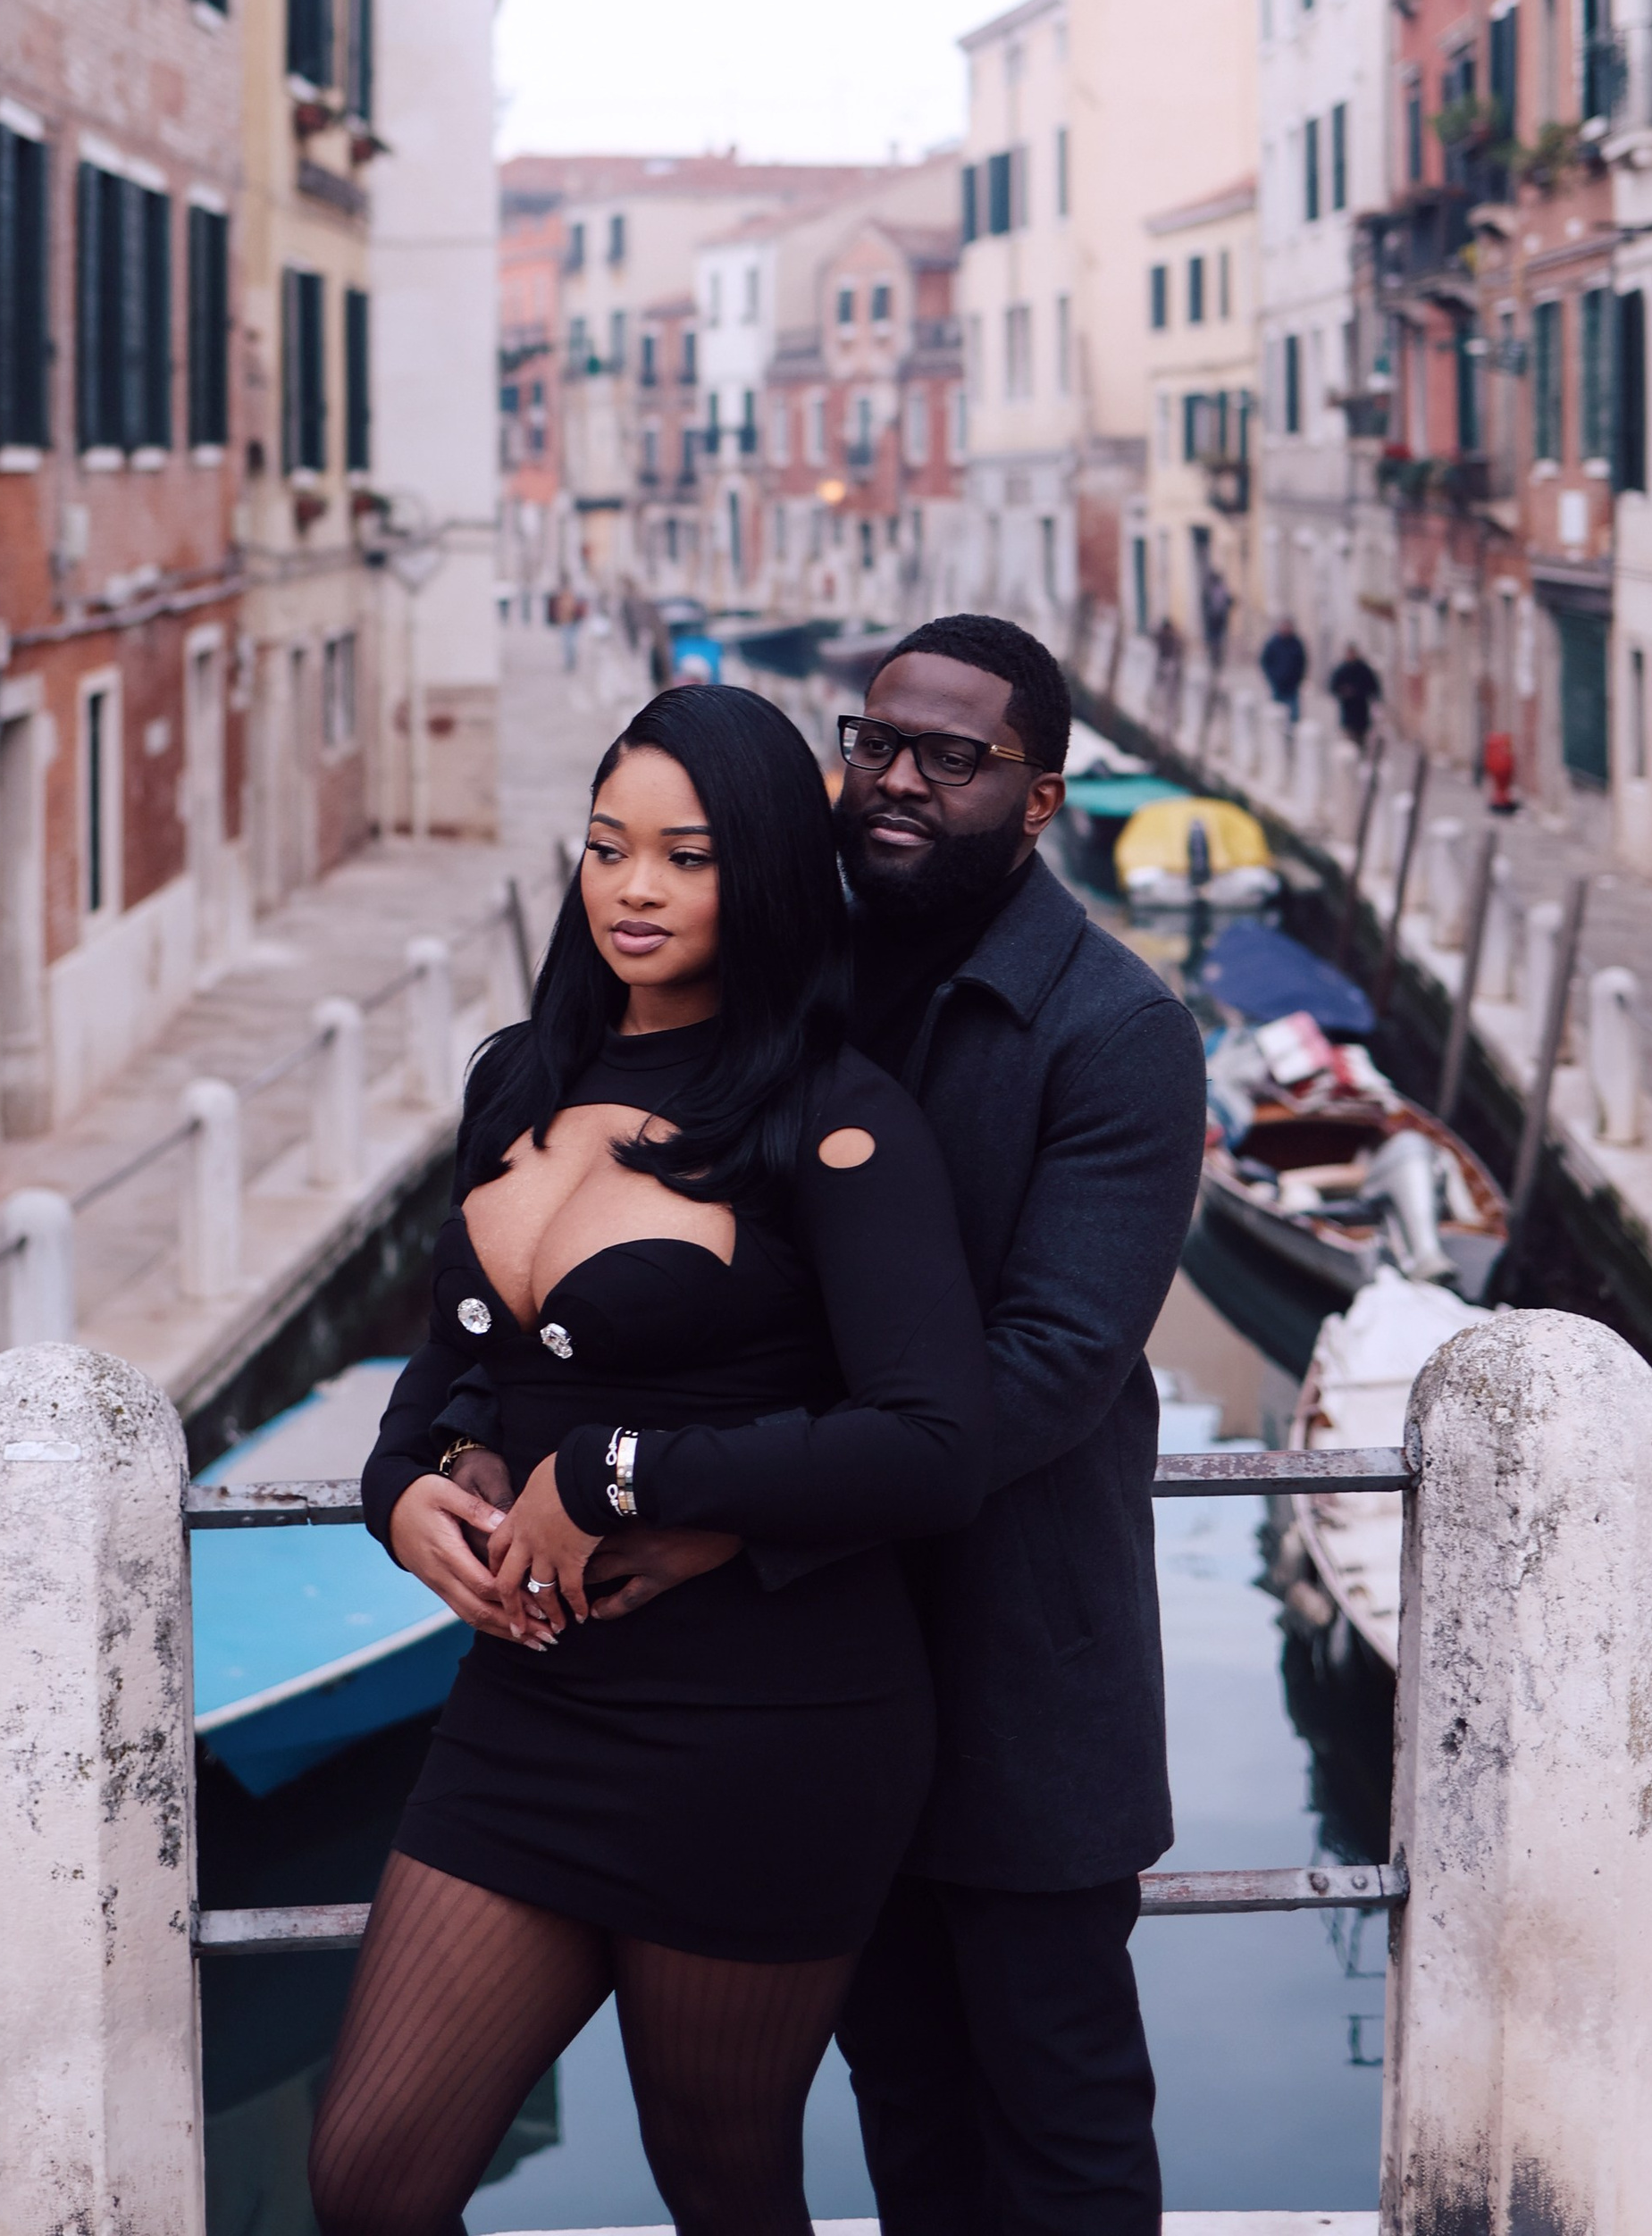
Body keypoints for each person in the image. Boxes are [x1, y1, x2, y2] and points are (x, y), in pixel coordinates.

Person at [314, 683, 993, 2236]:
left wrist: (624, 1473)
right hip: (531, 1712)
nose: (633, 888)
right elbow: (455, 1369)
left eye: (685, 858)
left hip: (769, 1723)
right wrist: (402, 1489)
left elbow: (935, 1445)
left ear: (758, 873)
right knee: (369, 2180)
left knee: (722, 2177)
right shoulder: (520, 1080)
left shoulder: (840, 1122)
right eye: (609, 847)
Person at [826, 612, 1209, 2235]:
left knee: (1061, 2133)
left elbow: (1053, 1367)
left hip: (1025, 1684)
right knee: (905, 2111)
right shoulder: (797, 983)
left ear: (1040, 797)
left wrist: (735, 1490)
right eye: (878, 744)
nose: (899, 781)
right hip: (827, 1678)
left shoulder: (1119, 1030)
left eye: (952, 759)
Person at [1328, 643, 1381, 749]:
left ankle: (1360, 754)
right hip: (1347, 708)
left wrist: (1374, 698)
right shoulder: (1341, 670)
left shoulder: (1364, 669)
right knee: (1349, 737)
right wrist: (1343, 691)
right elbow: (1333, 686)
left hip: (1361, 708)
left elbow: (1373, 686)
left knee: (1361, 735)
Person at [1259, 616, 1308, 724]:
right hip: (1277, 684)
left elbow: (1302, 663)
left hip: (1292, 686)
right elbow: (1265, 661)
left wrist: (1299, 678)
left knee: (1293, 716)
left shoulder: (1297, 644)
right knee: (1277, 715)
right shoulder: (1272, 643)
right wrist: (1272, 677)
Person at [1199, 560, 1233, 674]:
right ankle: (1216, 660)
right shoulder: (1221, 590)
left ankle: (1216, 660)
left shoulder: (1211, 590)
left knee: (1215, 640)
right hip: (1217, 621)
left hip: (1215, 621)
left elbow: (1204, 605)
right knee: (1217, 640)